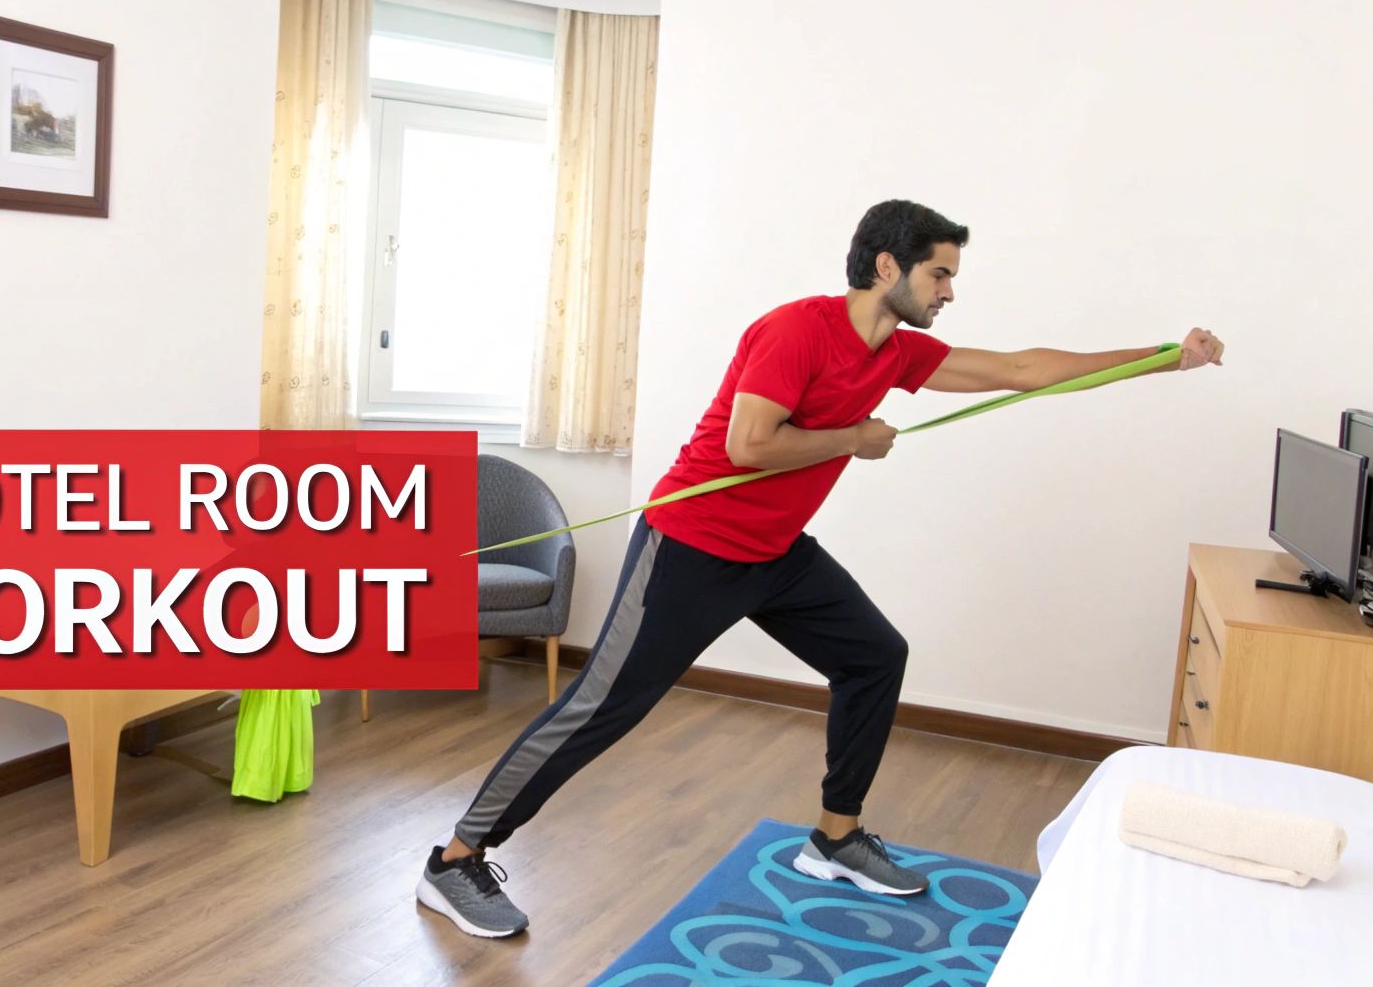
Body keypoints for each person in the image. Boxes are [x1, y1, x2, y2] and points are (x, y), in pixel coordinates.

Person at [415, 200, 1226, 938]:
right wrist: (854, 440)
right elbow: (748, 446)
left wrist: (1164, 357)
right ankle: (453, 862)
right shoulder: (796, 330)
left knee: (875, 656)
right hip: (693, 546)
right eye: (940, 272)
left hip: (774, 555)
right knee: (603, 708)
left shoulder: (897, 353)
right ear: (887, 267)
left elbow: (1020, 368)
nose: (948, 291)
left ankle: (836, 838)